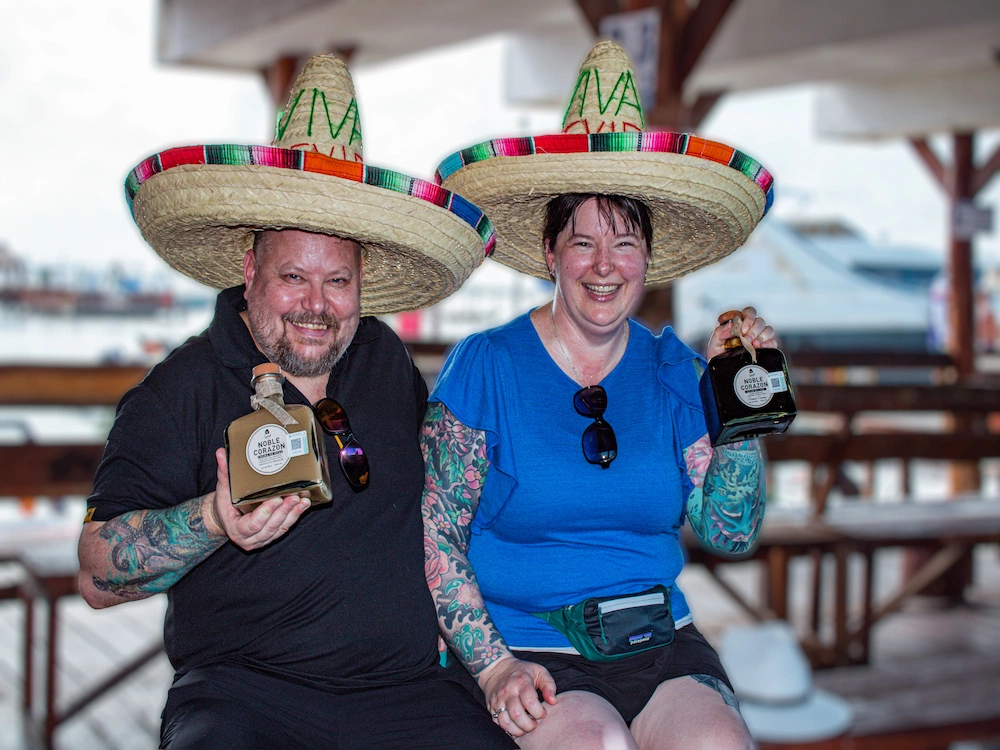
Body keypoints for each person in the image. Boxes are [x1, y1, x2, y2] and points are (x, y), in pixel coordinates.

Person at [78, 54, 515, 750]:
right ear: (250, 270)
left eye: (338, 280)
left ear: (362, 282)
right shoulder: (180, 388)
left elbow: (434, 506)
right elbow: (97, 573)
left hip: (409, 693)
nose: (317, 306)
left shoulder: (383, 358)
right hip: (246, 697)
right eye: (293, 277)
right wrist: (215, 519)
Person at [422, 42, 776, 749]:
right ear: (550, 254)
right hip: (528, 652)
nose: (604, 266)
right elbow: (436, 534)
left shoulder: (676, 370)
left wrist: (742, 409)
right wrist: (493, 668)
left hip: (662, 643)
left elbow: (730, 533)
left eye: (625, 244)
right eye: (582, 243)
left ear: (649, 257)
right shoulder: (485, 365)